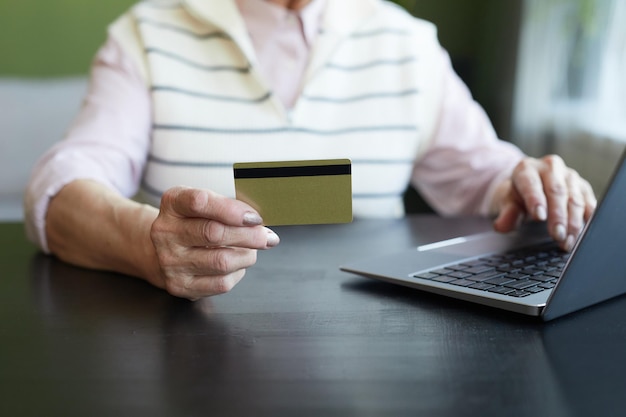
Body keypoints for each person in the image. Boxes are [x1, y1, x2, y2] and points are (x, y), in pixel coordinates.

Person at [24, 0, 596, 300]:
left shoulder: (406, 43)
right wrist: (149, 245)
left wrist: (528, 180)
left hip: (379, 350)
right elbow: (60, 189)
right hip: (185, 347)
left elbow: (488, 176)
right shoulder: (146, 35)